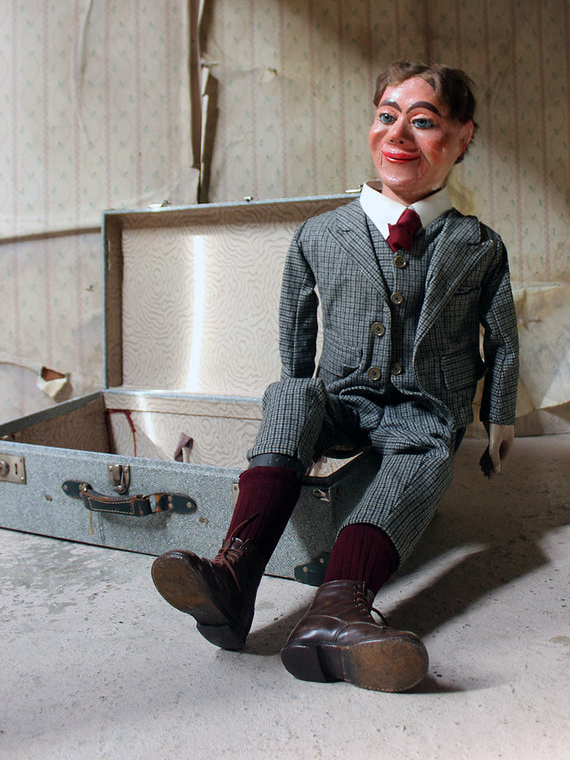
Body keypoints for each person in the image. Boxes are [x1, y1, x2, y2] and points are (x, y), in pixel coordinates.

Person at [151, 60, 519, 693]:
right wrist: (292, 414)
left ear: (463, 137)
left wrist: (500, 416)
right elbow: (295, 330)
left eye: (423, 121)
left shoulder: (480, 246)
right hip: (341, 397)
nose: (398, 134)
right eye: (386, 116)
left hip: (427, 412)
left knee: (419, 465)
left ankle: (337, 612)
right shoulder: (320, 234)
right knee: (291, 395)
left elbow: (504, 337)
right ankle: (233, 578)